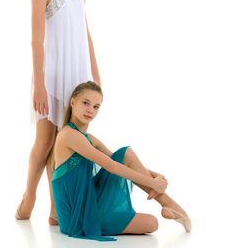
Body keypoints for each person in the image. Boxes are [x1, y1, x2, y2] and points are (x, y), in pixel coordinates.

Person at [15, 0, 101, 225]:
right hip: (51, 75)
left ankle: (56, 209)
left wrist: (96, 76)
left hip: (77, 75)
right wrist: (39, 85)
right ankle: (29, 196)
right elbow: (36, 41)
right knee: (45, 140)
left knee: (66, 141)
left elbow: (85, 34)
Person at [52, 81, 191, 242]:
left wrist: (154, 175)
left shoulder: (88, 138)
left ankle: (170, 205)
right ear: (73, 102)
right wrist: (153, 184)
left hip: (91, 202)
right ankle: (173, 206)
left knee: (126, 154)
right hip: (77, 217)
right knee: (152, 223)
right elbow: (111, 166)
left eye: (96, 106)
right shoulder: (68, 135)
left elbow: (123, 161)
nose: (90, 110)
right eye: (86, 103)